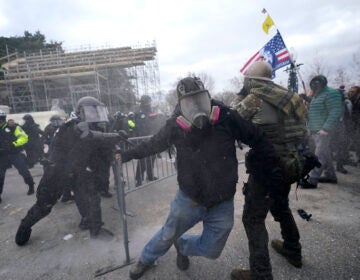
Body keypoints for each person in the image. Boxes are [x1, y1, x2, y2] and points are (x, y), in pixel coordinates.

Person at [120, 77, 283, 280]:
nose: (196, 107)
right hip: (189, 199)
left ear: (208, 97)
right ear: (180, 105)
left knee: (211, 250)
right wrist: (125, 155)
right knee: (167, 234)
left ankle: (183, 245)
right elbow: (151, 145)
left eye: (199, 99)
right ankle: (145, 259)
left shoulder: (226, 117)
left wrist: (272, 164)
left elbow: (257, 136)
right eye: (189, 102)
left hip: (222, 201)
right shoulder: (175, 125)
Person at [231, 61, 308, 280]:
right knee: (281, 206)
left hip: (268, 167)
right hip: (293, 163)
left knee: (252, 219)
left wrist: (240, 95)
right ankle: (293, 251)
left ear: (252, 80)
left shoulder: (254, 98)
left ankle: (261, 274)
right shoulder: (291, 96)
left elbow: (232, 121)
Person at [15, 96, 126, 246]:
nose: (95, 115)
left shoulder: (93, 127)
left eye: (97, 111)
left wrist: (116, 145)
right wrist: (115, 136)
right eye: (92, 111)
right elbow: (91, 137)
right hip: (58, 172)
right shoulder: (74, 125)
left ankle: (95, 229)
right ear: (81, 112)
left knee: (92, 198)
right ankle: (25, 226)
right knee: (44, 205)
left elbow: (97, 148)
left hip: (77, 171)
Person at [299, 75, 342, 188]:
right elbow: (316, 107)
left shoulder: (332, 93)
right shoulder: (318, 95)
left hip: (323, 131)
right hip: (316, 130)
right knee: (325, 154)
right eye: (313, 83)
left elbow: (335, 111)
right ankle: (330, 176)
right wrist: (306, 98)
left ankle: (312, 180)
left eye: (317, 84)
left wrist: (326, 128)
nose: (314, 86)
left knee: (319, 156)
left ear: (322, 83)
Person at [0, 110, 35, 203]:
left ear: (3, 119)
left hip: (14, 153)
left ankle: (31, 185)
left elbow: (24, 138)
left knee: (23, 171)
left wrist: (14, 144)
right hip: (2, 155)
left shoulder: (13, 127)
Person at [133, 95, 161, 186]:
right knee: (142, 159)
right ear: (143, 101)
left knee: (151, 158)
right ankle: (139, 179)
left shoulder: (151, 111)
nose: (149, 103)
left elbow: (155, 123)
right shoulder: (138, 112)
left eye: (149, 101)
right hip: (143, 139)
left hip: (152, 138)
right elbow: (137, 126)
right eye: (148, 101)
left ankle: (150, 176)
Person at [348, 86, 360, 162]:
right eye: (350, 91)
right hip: (354, 123)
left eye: (353, 92)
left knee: (357, 140)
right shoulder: (351, 99)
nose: (351, 93)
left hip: (358, 123)